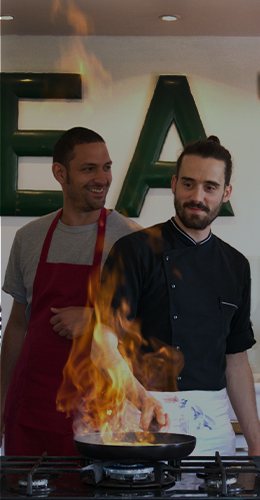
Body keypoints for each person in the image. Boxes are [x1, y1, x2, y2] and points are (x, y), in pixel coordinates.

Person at [91, 136, 260, 456]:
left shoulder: (235, 265)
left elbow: (235, 360)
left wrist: (256, 443)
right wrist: (143, 399)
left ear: (226, 194)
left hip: (213, 430)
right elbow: (102, 343)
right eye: (188, 184)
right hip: (145, 420)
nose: (197, 197)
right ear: (173, 184)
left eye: (210, 187)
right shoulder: (134, 251)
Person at [1, 126, 141, 456]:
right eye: (88, 168)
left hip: (100, 416)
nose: (102, 178)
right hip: (32, 408)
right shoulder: (29, 238)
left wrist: (95, 319)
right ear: (59, 173)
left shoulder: (131, 241)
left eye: (106, 167)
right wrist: (2, 399)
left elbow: (152, 324)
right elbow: (18, 325)